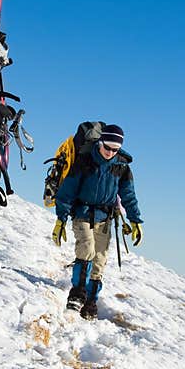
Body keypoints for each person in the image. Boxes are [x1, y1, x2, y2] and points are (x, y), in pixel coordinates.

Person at [51, 124, 143, 320]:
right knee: (87, 248)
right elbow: (66, 193)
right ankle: (77, 293)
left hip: (105, 217)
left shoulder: (122, 167)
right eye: (107, 147)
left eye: (115, 149)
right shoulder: (85, 161)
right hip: (82, 212)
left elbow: (128, 195)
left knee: (99, 260)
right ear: (100, 142)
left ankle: (91, 300)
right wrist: (61, 220)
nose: (110, 152)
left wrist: (135, 220)